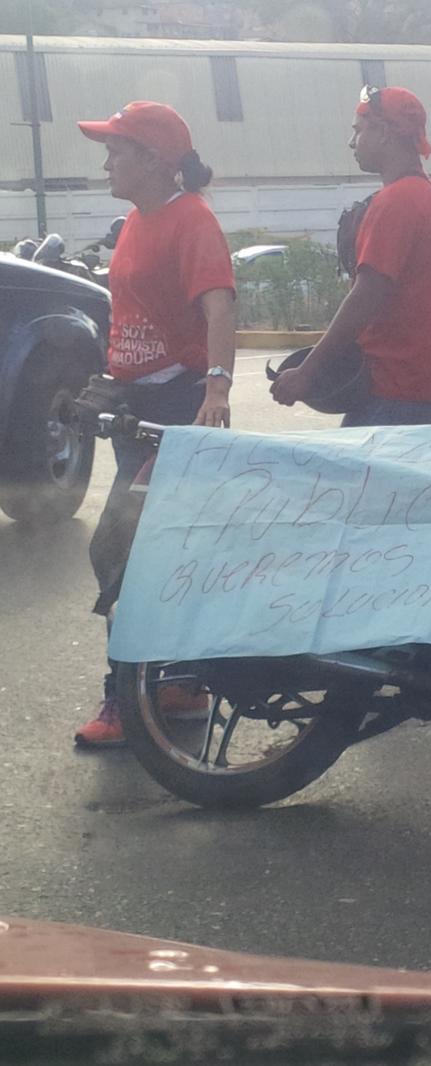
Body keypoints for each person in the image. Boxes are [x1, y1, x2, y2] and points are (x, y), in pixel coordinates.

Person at [74, 101, 236, 748]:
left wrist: (217, 388)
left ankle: (126, 701)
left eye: (116, 151)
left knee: (119, 550)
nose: (106, 163)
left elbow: (219, 306)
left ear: (154, 158)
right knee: (164, 552)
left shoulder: (191, 218)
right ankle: (182, 686)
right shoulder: (137, 221)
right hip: (135, 408)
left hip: (176, 408)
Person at [270, 86, 431, 427]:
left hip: (390, 392)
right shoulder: (429, 195)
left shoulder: (396, 201)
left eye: (358, 131)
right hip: (411, 389)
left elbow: (366, 297)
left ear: (384, 132)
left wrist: (308, 371)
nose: (351, 142)